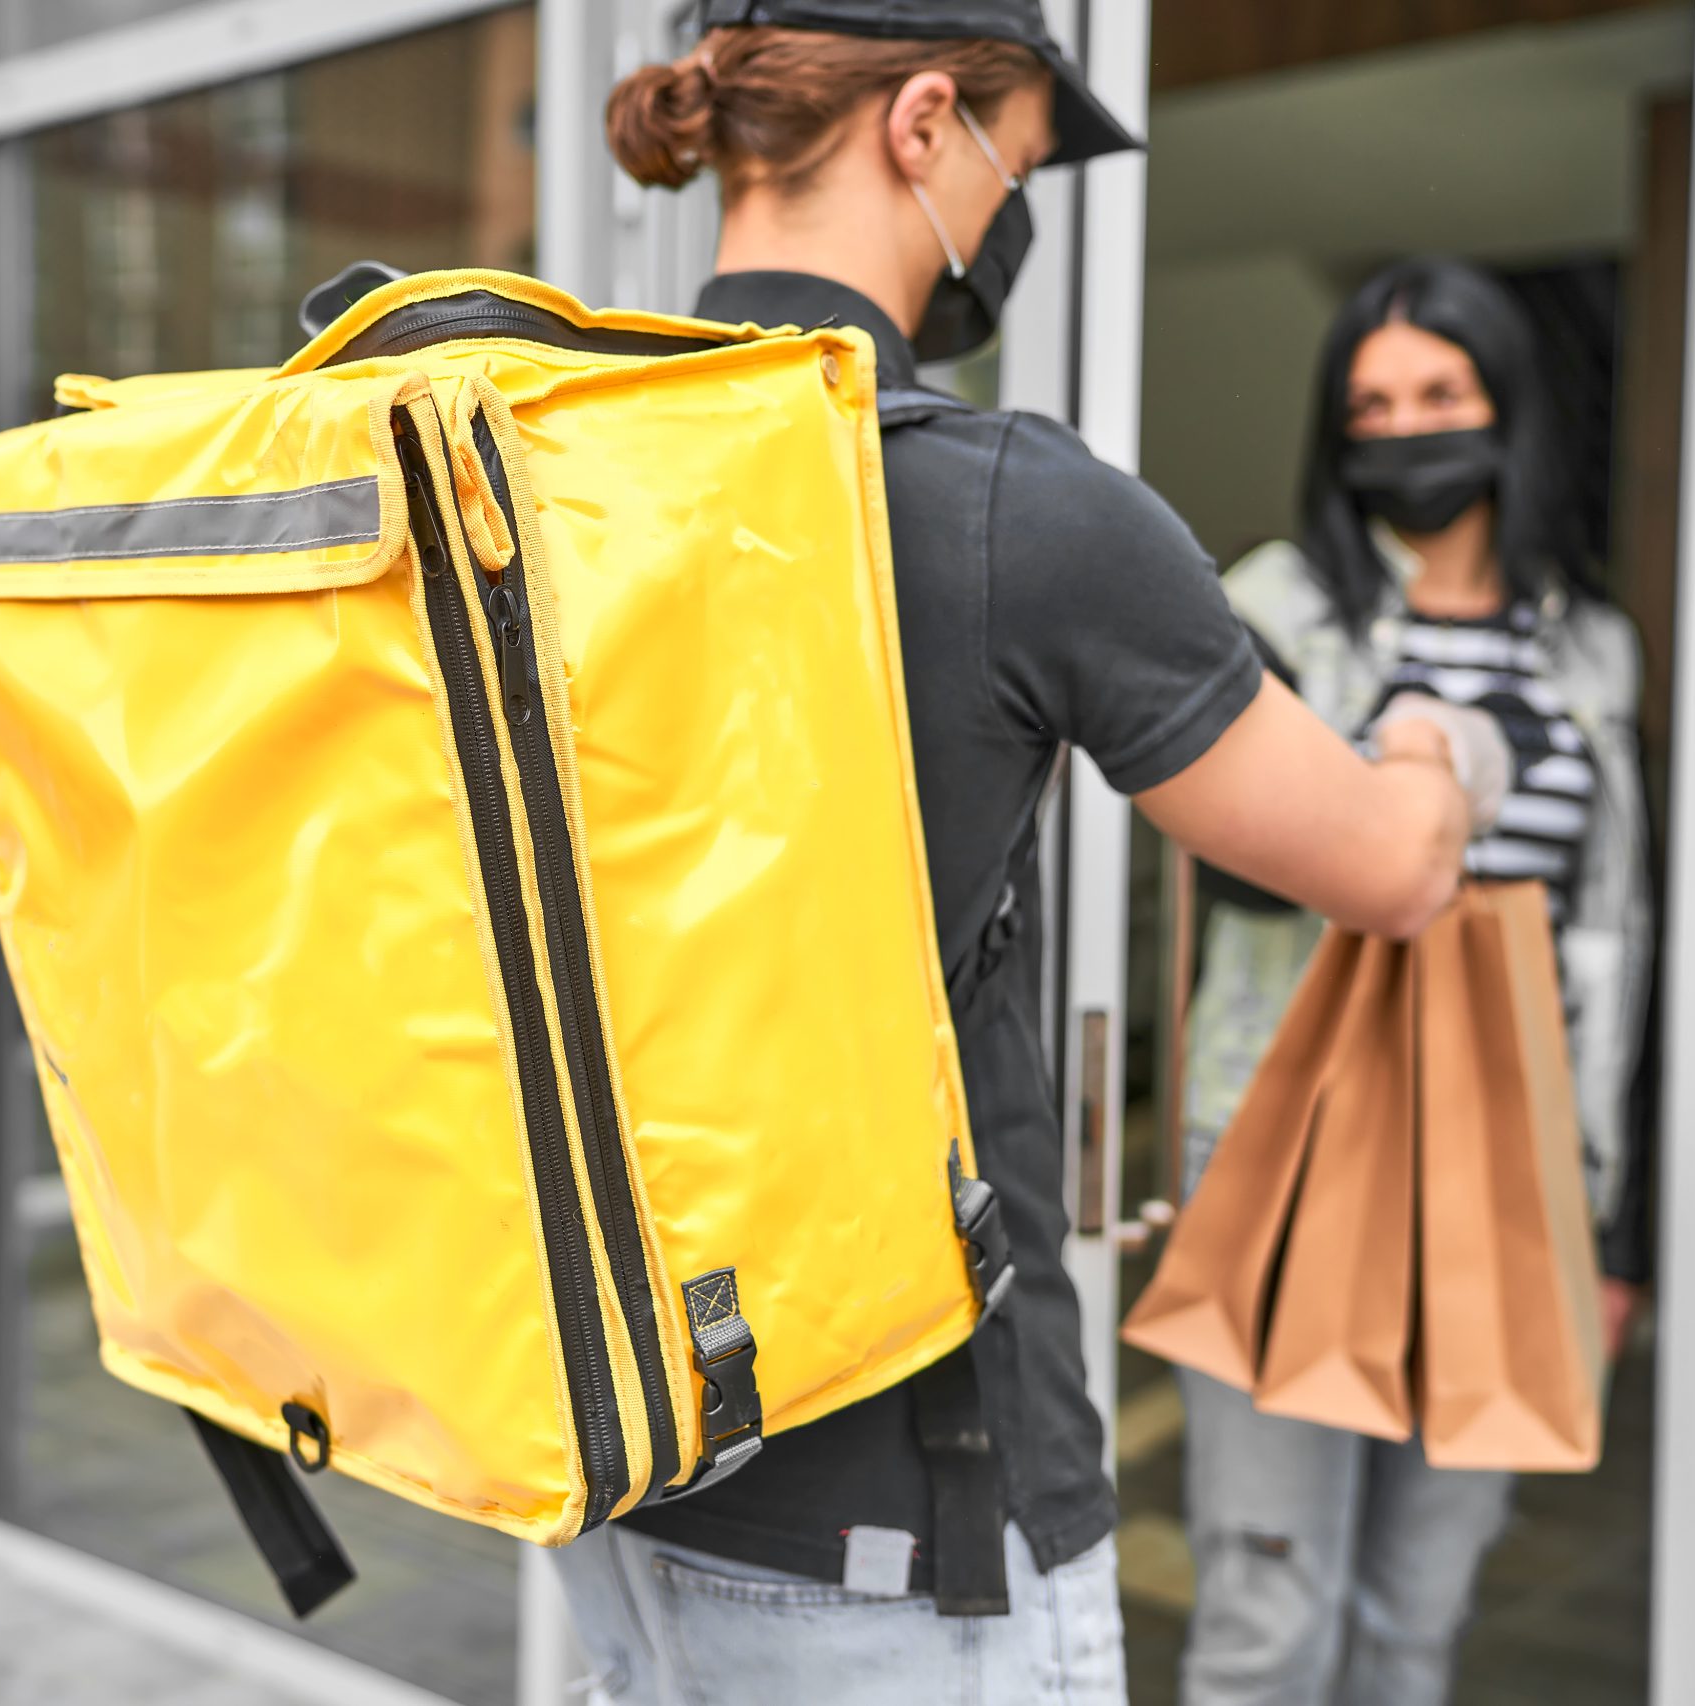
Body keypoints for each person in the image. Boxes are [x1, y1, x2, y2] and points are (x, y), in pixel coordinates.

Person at [555, 10, 1514, 1705]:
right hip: (912, 1519)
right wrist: (1440, 747)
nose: (1018, 203)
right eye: (1020, 154)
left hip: (615, 1454)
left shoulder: (554, 464)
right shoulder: (1014, 507)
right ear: (926, 125)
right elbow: (1384, 865)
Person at [1175, 257, 1657, 1706]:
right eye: (1372, 404)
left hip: (1517, 1162)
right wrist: (1425, 763)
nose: (1406, 430)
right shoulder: (1271, 610)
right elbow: (1254, 864)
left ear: (1506, 409)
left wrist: (1615, 1224)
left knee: (1417, 1615)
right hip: (1296, 1141)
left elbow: (1620, 922)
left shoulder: (1590, 644)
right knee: (1270, 1615)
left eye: (1441, 395)